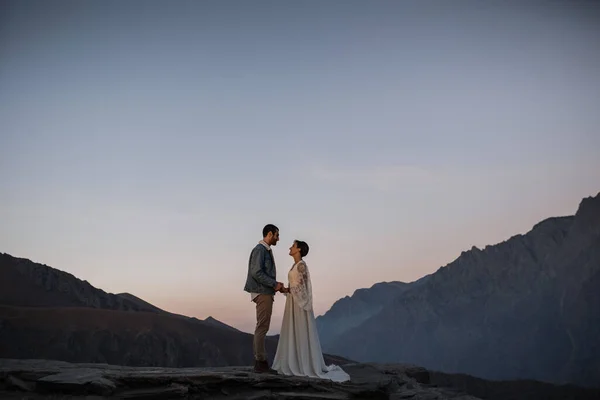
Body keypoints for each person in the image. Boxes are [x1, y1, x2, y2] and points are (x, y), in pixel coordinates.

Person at [272, 240, 351, 382]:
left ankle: (302, 364)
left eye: (293, 246)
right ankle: (296, 361)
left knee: (300, 330)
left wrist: (285, 289)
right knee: (293, 330)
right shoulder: (295, 265)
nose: (290, 247)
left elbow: (302, 288)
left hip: (298, 304)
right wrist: (287, 290)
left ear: (299, 250)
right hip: (293, 302)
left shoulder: (301, 266)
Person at [243, 224, 284, 374]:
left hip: (264, 291)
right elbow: (256, 272)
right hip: (262, 292)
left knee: (262, 326)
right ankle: (261, 363)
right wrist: (274, 284)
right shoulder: (260, 250)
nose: (278, 238)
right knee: (262, 327)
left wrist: (275, 285)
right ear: (269, 234)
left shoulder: (264, 250)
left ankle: (260, 362)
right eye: (276, 235)